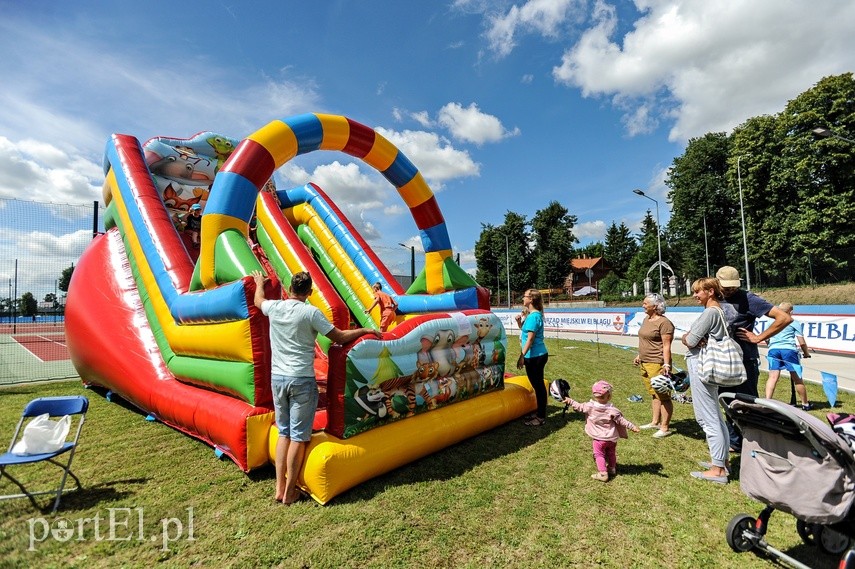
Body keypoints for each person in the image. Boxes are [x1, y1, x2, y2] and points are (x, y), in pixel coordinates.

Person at [252, 270, 381, 504]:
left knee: (284, 433)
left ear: (290, 289)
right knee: (299, 437)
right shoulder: (310, 313)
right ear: (309, 293)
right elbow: (340, 337)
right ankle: (290, 491)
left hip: (277, 378)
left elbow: (258, 301)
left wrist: (260, 282)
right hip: (301, 378)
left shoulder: (275, 307)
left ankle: (279, 487)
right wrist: (366, 330)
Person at [715, 266, 792, 452]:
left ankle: (755, 444)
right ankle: (735, 442)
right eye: (726, 286)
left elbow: (783, 318)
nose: (729, 290)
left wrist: (759, 337)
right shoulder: (715, 297)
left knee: (747, 403)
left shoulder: (749, 298)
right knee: (725, 401)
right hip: (721, 360)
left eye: (733, 286)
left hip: (745, 361)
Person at [681, 277, 738, 485]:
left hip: (702, 366)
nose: (695, 295)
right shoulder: (720, 312)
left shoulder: (710, 312)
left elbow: (691, 340)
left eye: (698, 291)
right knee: (715, 415)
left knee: (707, 417)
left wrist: (686, 336)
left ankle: (718, 470)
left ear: (711, 291)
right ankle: (722, 461)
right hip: (707, 367)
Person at [563, 380, 639, 481]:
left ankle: (603, 473)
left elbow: (579, 406)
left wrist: (570, 401)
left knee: (599, 454)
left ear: (595, 396)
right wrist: (632, 426)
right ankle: (612, 469)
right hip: (612, 438)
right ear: (609, 396)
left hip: (599, 439)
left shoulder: (589, 407)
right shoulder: (612, 410)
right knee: (611, 453)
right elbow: (622, 421)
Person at [632, 293, 675, 438]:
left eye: (645, 303)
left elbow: (666, 346)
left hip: (657, 363)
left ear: (655, 306)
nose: (643, 305)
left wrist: (667, 365)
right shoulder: (647, 319)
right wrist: (640, 355)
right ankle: (655, 422)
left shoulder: (664, 323)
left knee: (663, 396)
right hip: (645, 362)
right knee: (654, 394)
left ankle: (665, 427)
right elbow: (646, 340)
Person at [764, 302, 812, 409]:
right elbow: (802, 342)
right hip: (789, 350)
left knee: (772, 377)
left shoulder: (770, 321)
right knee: (797, 378)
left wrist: (771, 346)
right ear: (791, 312)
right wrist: (806, 353)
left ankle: (767, 402)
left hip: (773, 350)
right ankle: (805, 404)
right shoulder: (793, 322)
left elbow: (766, 338)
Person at [517, 289, 548, 426]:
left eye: (525, 296)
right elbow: (525, 332)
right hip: (536, 355)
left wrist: (521, 356)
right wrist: (519, 323)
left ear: (531, 299)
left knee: (539, 386)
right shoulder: (533, 316)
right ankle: (539, 413)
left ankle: (540, 417)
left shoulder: (534, 316)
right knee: (538, 386)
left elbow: (530, 339)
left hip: (535, 356)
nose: (523, 298)